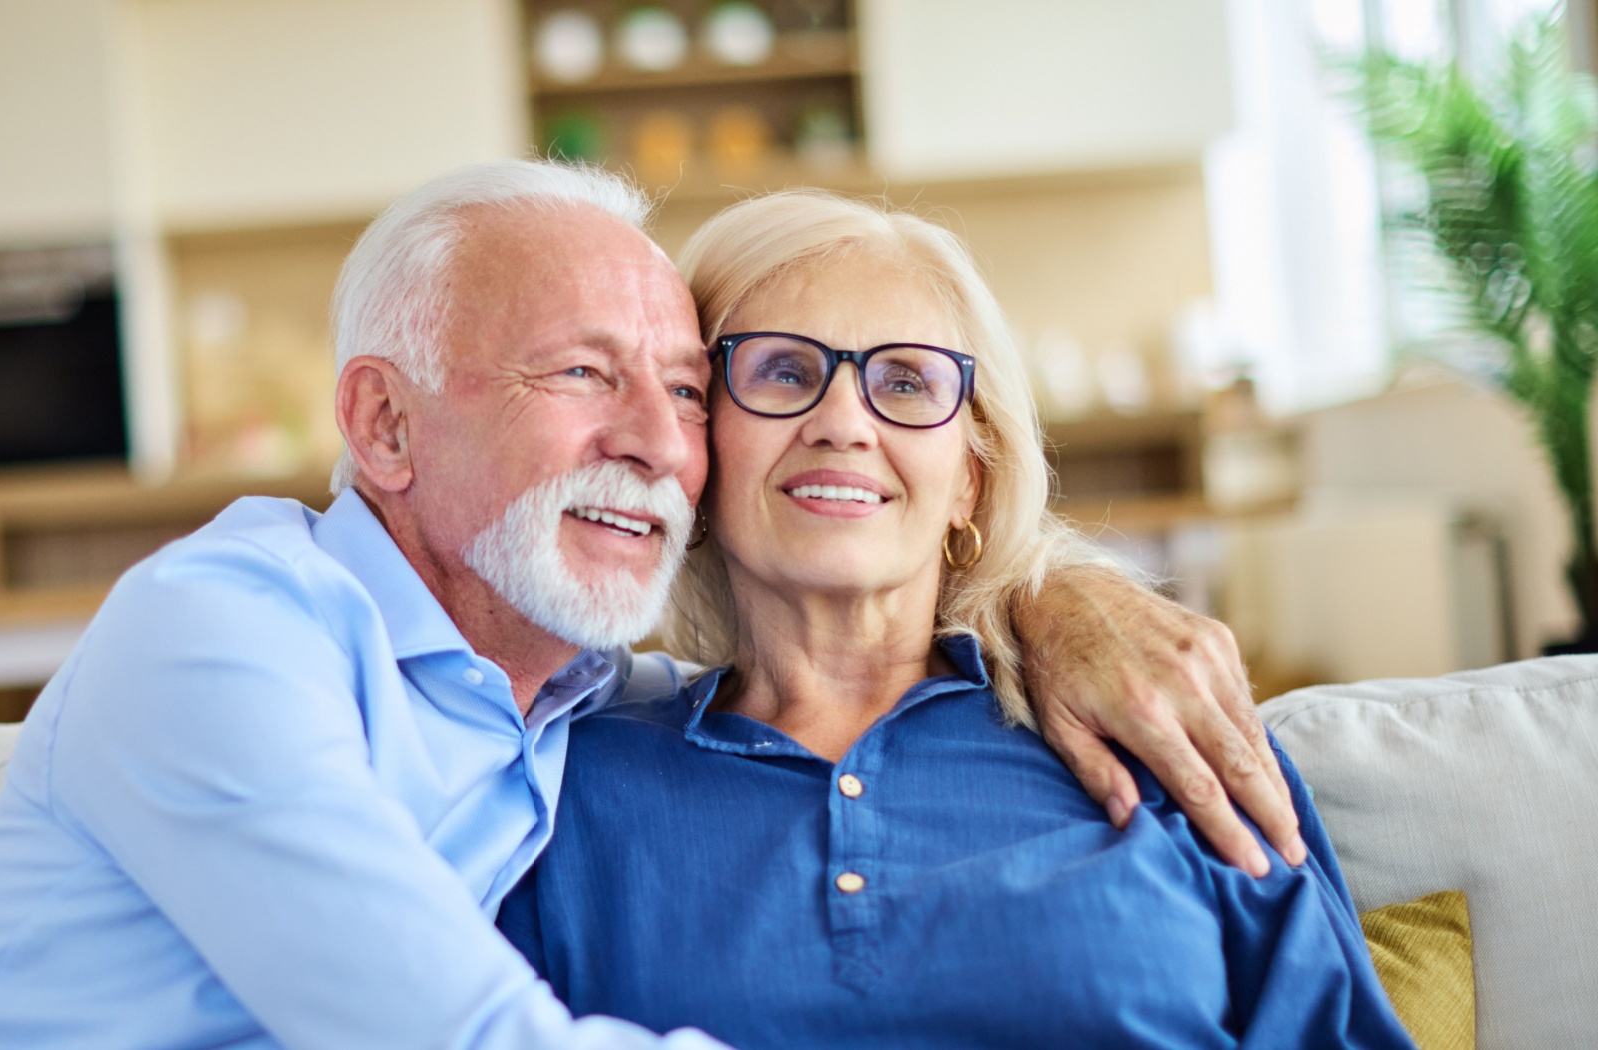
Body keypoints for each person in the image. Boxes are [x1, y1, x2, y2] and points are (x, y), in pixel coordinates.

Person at [0, 161, 1294, 1049]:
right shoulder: (220, 639)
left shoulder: (575, 695)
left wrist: (1053, 593)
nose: (656, 444)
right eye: (580, 371)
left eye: (684, 391)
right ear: (384, 423)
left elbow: (847, 641)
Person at [498, 190, 1414, 1048]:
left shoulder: (1153, 721)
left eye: (904, 382)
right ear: (697, 446)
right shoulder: (567, 785)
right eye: (783, 372)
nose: (843, 422)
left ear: (969, 477)